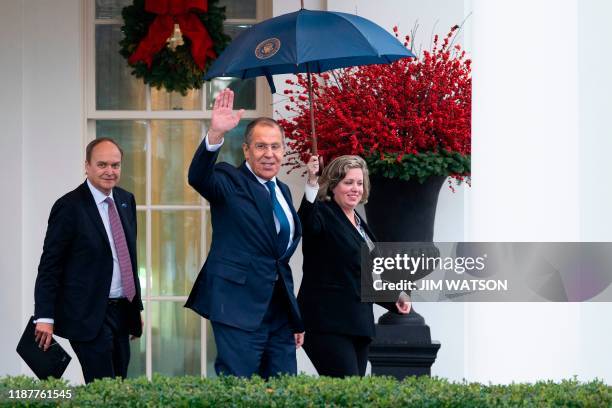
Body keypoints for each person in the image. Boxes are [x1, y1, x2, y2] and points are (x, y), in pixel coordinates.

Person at [185, 89, 304, 378]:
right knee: (240, 391)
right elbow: (198, 177)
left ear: (283, 151)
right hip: (237, 308)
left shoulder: (284, 191)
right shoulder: (229, 180)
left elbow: (279, 259)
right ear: (246, 150)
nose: (269, 154)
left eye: (275, 147)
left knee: (285, 390)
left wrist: (294, 318)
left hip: (278, 312)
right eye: (261, 147)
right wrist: (215, 134)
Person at [33, 138, 143, 383]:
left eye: (115, 165)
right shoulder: (68, 206)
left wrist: (134, 306)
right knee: (102, 387)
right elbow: (50, 266)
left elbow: (127, 258)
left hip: (122, 312)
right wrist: (44, 317)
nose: (110, 171)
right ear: (87, 166)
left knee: (119, 385)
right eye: (102, 164)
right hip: (88, 315)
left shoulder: (126, 200)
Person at [298, 154, 411, 377]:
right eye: (348, 182)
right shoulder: (322, 213)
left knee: (352, 395)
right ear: (333, 185)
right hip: (327, 324)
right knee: (347, 389)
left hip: (358, 325)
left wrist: (393, 297)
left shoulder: (358, 222)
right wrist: (312, 181)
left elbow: (359, 276)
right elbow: (306, 222)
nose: (355, 189)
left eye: (359, 183)